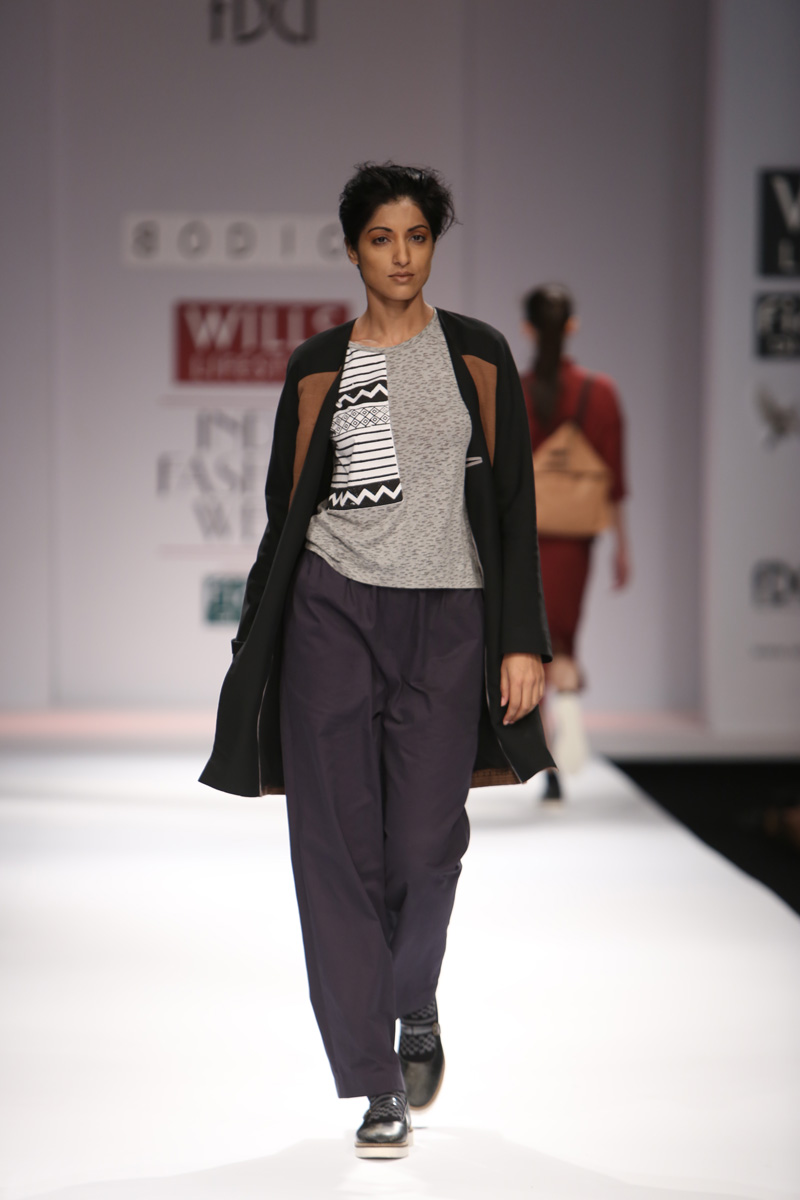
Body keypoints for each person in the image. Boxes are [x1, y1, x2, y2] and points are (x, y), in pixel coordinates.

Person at [200, 163, 553, 1159]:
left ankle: (413, 1002)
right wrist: (259, 640)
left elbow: (513, 502)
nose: (401, 256)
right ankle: (374, 1082)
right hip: (331, 615)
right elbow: (287, 509)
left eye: (417, 237)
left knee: (425, 847)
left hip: (449, 615)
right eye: (381, 239)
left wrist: (521, 637)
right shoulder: (318, 365)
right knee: (333, 850)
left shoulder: (478, 356)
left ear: (434, 244)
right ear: (352, 249)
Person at [521, 284, 630, 801]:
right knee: (563, 641)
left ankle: (548, 763)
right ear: (572, 327)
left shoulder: (514, 393)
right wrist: (623, 545)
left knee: (533, 646)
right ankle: (566, 723)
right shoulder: (600, 393)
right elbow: (613, 479)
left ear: (527, 330)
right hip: (576, 543)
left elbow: (499, 477)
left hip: (526, 539)